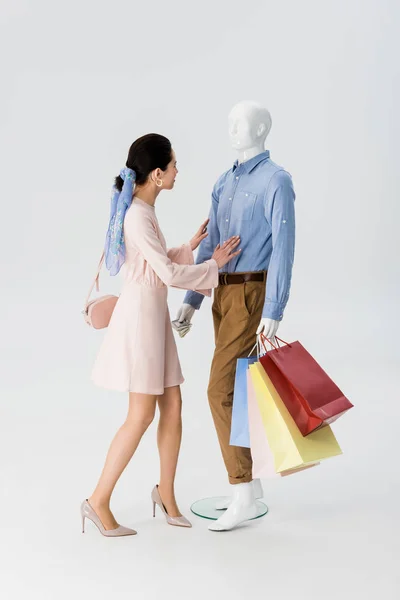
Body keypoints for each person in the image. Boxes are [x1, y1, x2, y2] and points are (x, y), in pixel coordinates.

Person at [81, 133, 241, 537]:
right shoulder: (138, 214)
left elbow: (150, 263)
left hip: (151, 318)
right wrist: (214, 267)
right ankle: (98, 500)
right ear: (156, 174)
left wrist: (190, 245)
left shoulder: (142, 210)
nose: (176, 172)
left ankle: (165, 494)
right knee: (141, 416)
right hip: (141, 323)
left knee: (172, 406)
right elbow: (166, 276)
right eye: (173, 166)